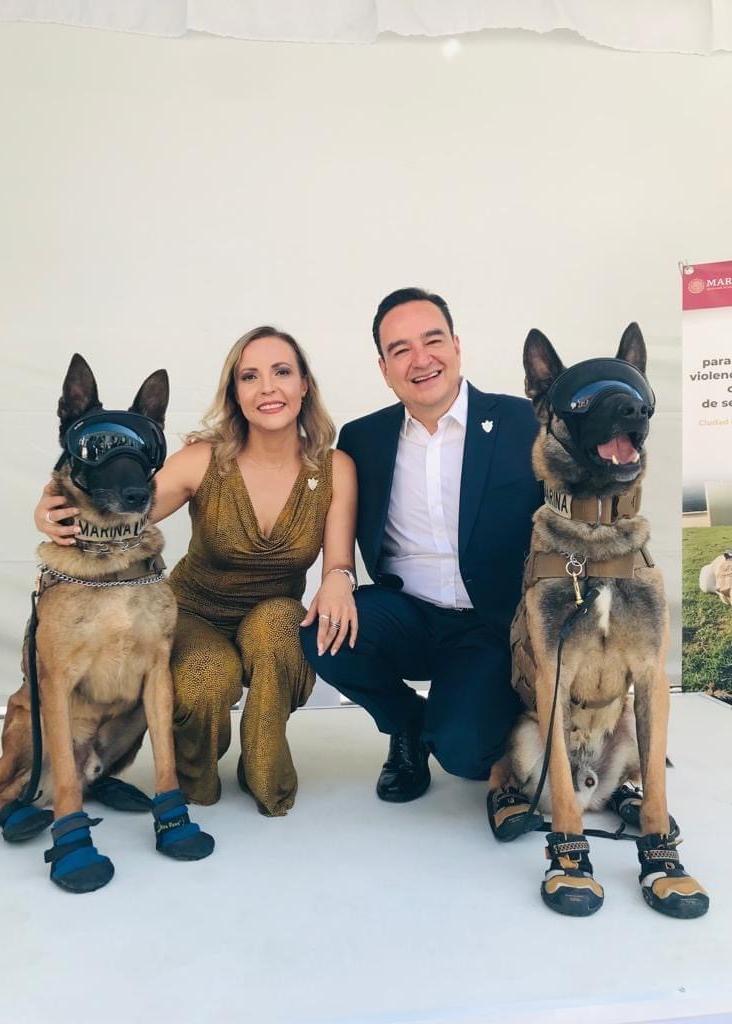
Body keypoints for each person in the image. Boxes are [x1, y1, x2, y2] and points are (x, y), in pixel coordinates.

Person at [36, 326, 358, 817]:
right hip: (195, 613)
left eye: (281, 372)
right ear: (236, 393)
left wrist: (340, 579)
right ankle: (192, 783)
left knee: (277, 628)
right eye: (250, 376)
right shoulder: (204, 459)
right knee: (207, 675)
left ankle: (264, 772)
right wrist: (49, 506)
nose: (267, 387)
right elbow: (123, 511)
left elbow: (338, 562)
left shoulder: (334, 468)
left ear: (304, 386)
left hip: (275, 615)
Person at [300, 288, 542, 803]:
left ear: (456, 346)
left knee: (466, 756)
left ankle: (475, 716)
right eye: (400, 349)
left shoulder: (523, 423)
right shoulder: (361, 439)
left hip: (487, 624)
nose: (421, 359)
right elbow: (309, 489)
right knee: (321, 631)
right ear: (384, 368)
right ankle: (406, 724)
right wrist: (336, 579)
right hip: (405, 613)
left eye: (432, 340)